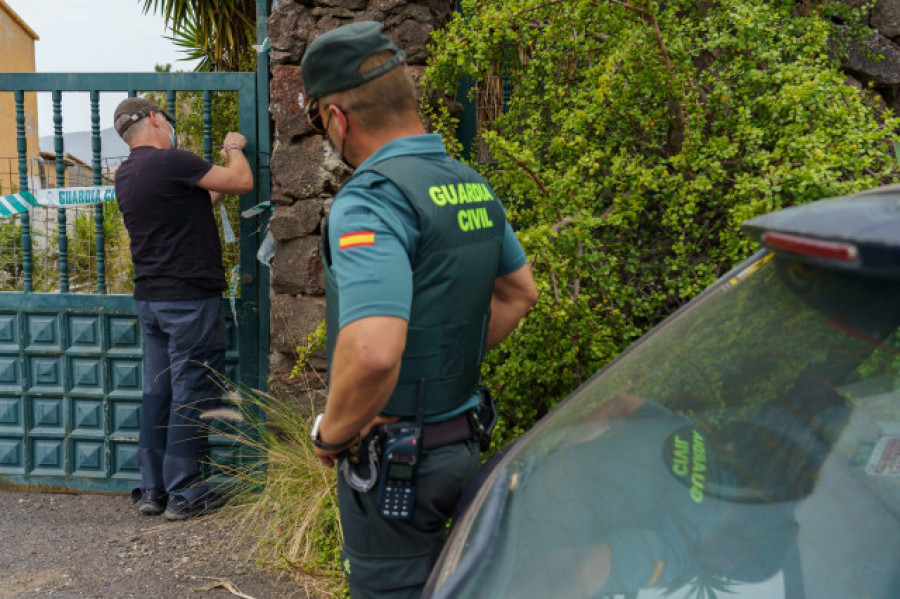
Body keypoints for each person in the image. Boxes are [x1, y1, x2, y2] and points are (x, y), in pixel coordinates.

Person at [300, 21, 539, 598]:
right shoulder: (468, 183)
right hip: (462, 441)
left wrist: (332, 434)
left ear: (337, 117)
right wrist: (440, 375)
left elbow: (376, 351)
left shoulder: (372, 200)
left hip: (394, 464)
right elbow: (518, 293)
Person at [112, 97, 253, 520]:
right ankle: (186, 491)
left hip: (151, 301)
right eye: (167, 120)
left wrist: (213, 196)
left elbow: (186, 206)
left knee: (159, 390)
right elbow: (241, 181)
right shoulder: (172, 160)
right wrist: (234, 148)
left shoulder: (126, 173)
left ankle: (153, 489)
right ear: (155, 119)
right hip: (188, 299)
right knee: (193, 390)